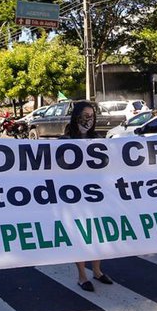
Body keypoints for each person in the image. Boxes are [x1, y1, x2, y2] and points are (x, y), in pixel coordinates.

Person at [62, 101, 113, 292]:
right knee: (80, 237)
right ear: (76, 116)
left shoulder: (98, 139)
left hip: (96, 196)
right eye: (85, 115)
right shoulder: (65, 141)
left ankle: (97, 271)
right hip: (75, 199)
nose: (89, 119)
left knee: (97, 236)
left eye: (92, 115)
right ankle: (82, 276)